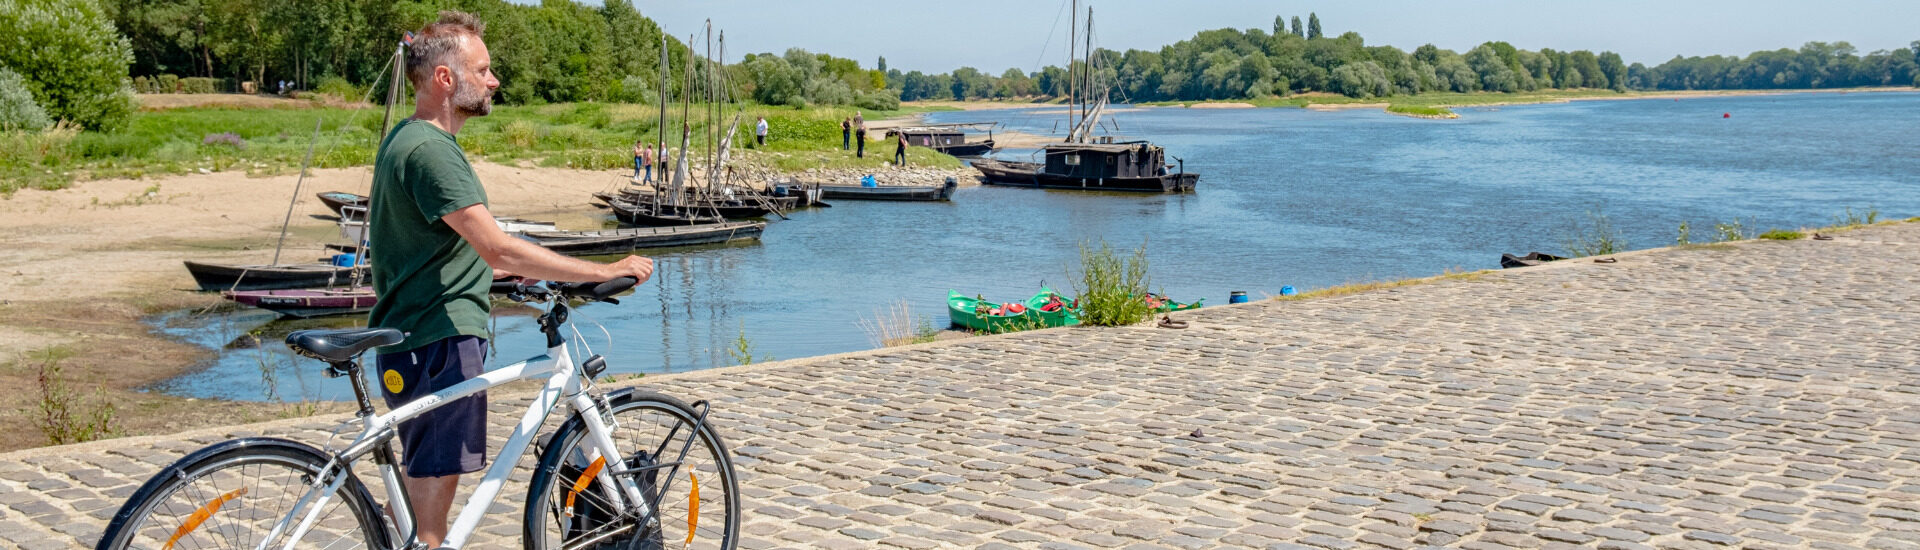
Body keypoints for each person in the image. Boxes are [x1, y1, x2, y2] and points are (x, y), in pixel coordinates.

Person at [365, 11, 655, 548]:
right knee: (430, 528)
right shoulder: (431, 151)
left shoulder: (405, 139)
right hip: (438, 339)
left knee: (416, 485)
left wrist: (504, 275)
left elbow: (445, 251)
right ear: (445, 79)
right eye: (483, 69)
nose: (494, 80)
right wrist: (602, 269)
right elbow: (496, 244)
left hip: (412, 336)